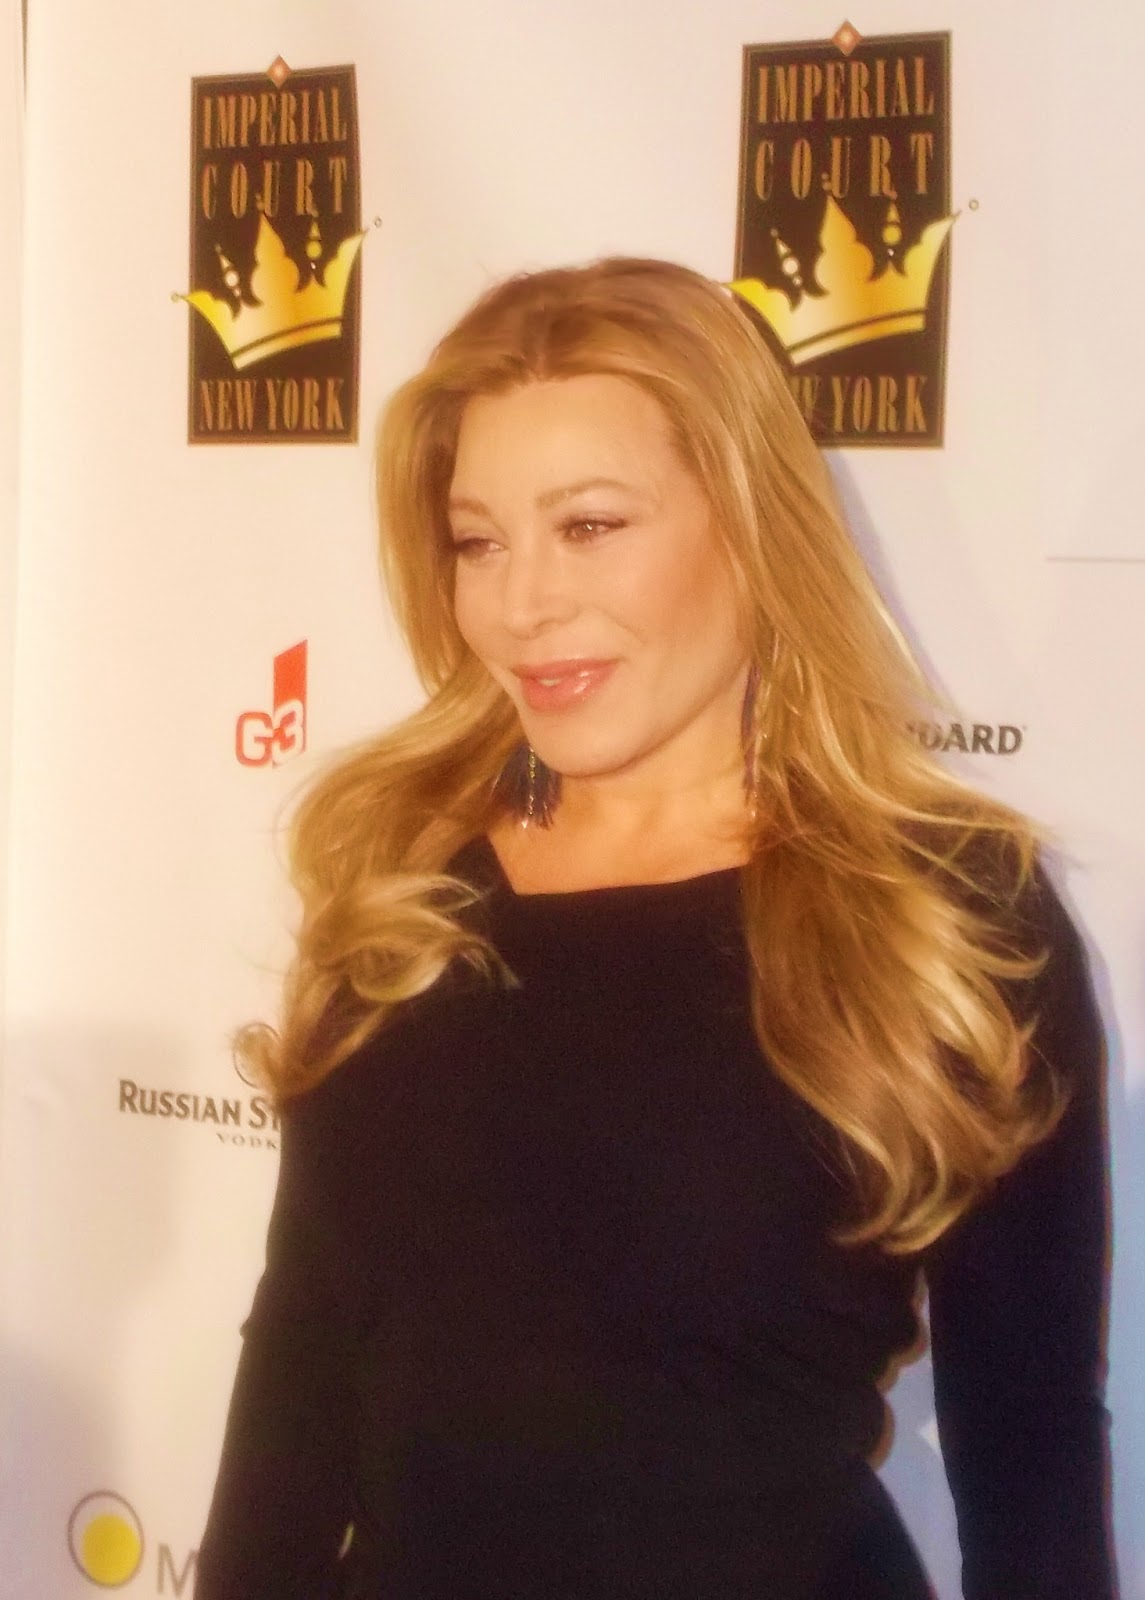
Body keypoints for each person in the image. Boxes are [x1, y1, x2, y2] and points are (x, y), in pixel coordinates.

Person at [194, 258, 1114, 1599]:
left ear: (749, 523)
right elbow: (301, 1355)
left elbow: (1028, 1446)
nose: (521, 604)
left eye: (589, 525)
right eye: (477, 541)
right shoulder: (406, 881)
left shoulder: (944, 909)